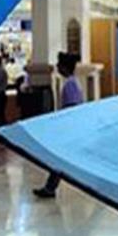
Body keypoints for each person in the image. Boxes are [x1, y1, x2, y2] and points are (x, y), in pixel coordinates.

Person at [33, 52, 84, 199]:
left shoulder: (70, 85)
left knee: (60, 159)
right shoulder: (72, 82)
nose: (57, 67)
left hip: (70, 129)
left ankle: (50, 188)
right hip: (72, 128)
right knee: (59, 160)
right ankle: (50, 187)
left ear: (65, 67)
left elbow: (71, 107)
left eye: (59, 65)